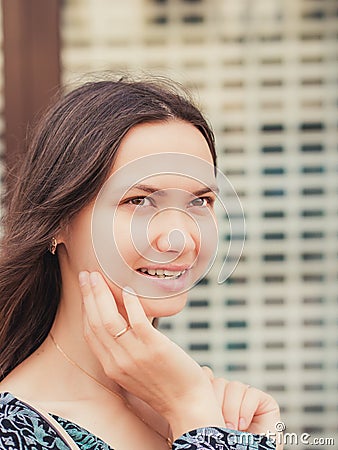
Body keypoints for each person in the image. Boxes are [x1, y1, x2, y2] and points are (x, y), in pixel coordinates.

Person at [0, 77, 282, 450]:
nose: (179, 239)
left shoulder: (211, 404)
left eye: (200, 202)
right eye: (139, 201)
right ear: (58, 222)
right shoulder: (18, 432)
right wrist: (194, 415)